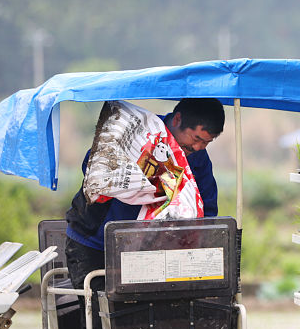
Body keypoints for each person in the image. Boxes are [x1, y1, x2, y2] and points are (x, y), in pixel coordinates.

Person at [64, 98, 225, 289]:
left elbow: (207, 208)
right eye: (196, 139)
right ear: (177, 120)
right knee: (99, 313)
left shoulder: (198, 158)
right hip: (94, 242)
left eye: (207, 142)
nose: (198, 148)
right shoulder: (139, 133)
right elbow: (93, 167)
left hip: (149, 254)